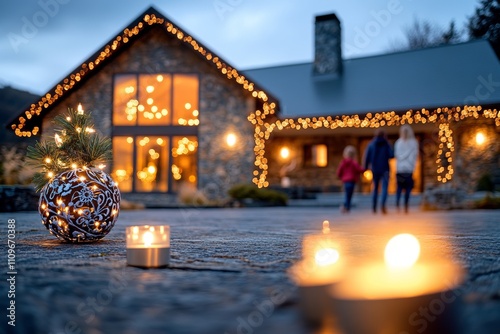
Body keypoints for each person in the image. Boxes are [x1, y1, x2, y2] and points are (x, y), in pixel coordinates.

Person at [364, 129, 394, 214]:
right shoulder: (386, 144)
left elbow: (367, 157)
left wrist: (365, 168)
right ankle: (383, 205)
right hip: (385, 169)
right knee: (384, 188)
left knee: (375, 188)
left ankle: (374, 206)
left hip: (375, 169)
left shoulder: (371, 144)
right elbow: (392, 155)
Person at [394, 125, 419, 213]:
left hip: (401, 169)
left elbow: (397, 155)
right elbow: (414, 156)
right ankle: (405, 205)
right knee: (406, 189)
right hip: (407, 169)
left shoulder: (399, 142)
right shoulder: (413, 143)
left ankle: (399, 204)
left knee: (400, 188)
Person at [337, 145, 364, 213]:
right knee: (349, 195)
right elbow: (359, 169)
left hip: (346, 181)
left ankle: (346, 207)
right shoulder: (354, 163)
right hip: (351, 181)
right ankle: (346, 206)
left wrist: (340, 177)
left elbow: (339, 171)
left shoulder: (343, 162)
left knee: (347, 194)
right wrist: (365, 169)